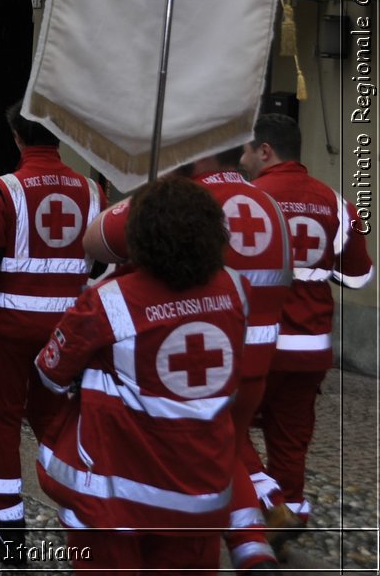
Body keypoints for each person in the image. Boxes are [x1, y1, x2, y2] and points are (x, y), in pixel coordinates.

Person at [87, 148, 291, 572]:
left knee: (204, 447)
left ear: (193, 154)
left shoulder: (181, 201)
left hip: (192, 346)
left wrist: (147, 194)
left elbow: (94, 241)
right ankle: (261, 519)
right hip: (254, 348)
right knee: (226, 442)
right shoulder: (267, 200)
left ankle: (238, 539)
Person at [36, 175, 247, 572]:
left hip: (116, 496)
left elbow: (51, 371)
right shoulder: (235, 288)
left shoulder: (110, 299)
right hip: (199, 495)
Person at [0, 103, 101, 565]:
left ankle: (9, 533)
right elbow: (100, 261)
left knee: (3, 420)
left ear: (18, 138)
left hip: (13, 328)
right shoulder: (92, 191)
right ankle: (86, 512)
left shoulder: (4, 190)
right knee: (57, 422)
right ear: (60, 137)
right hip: (71, 331)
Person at [239, 113, 374, 551]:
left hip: (258, 343)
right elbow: (358, 278)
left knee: (226, 425)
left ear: (266, 150)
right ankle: (290, 517)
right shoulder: (337, 204)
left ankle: (267, 503)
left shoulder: (247, 199)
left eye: (246, 150)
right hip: (312, 347)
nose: (242, 160)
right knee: (291, 438)